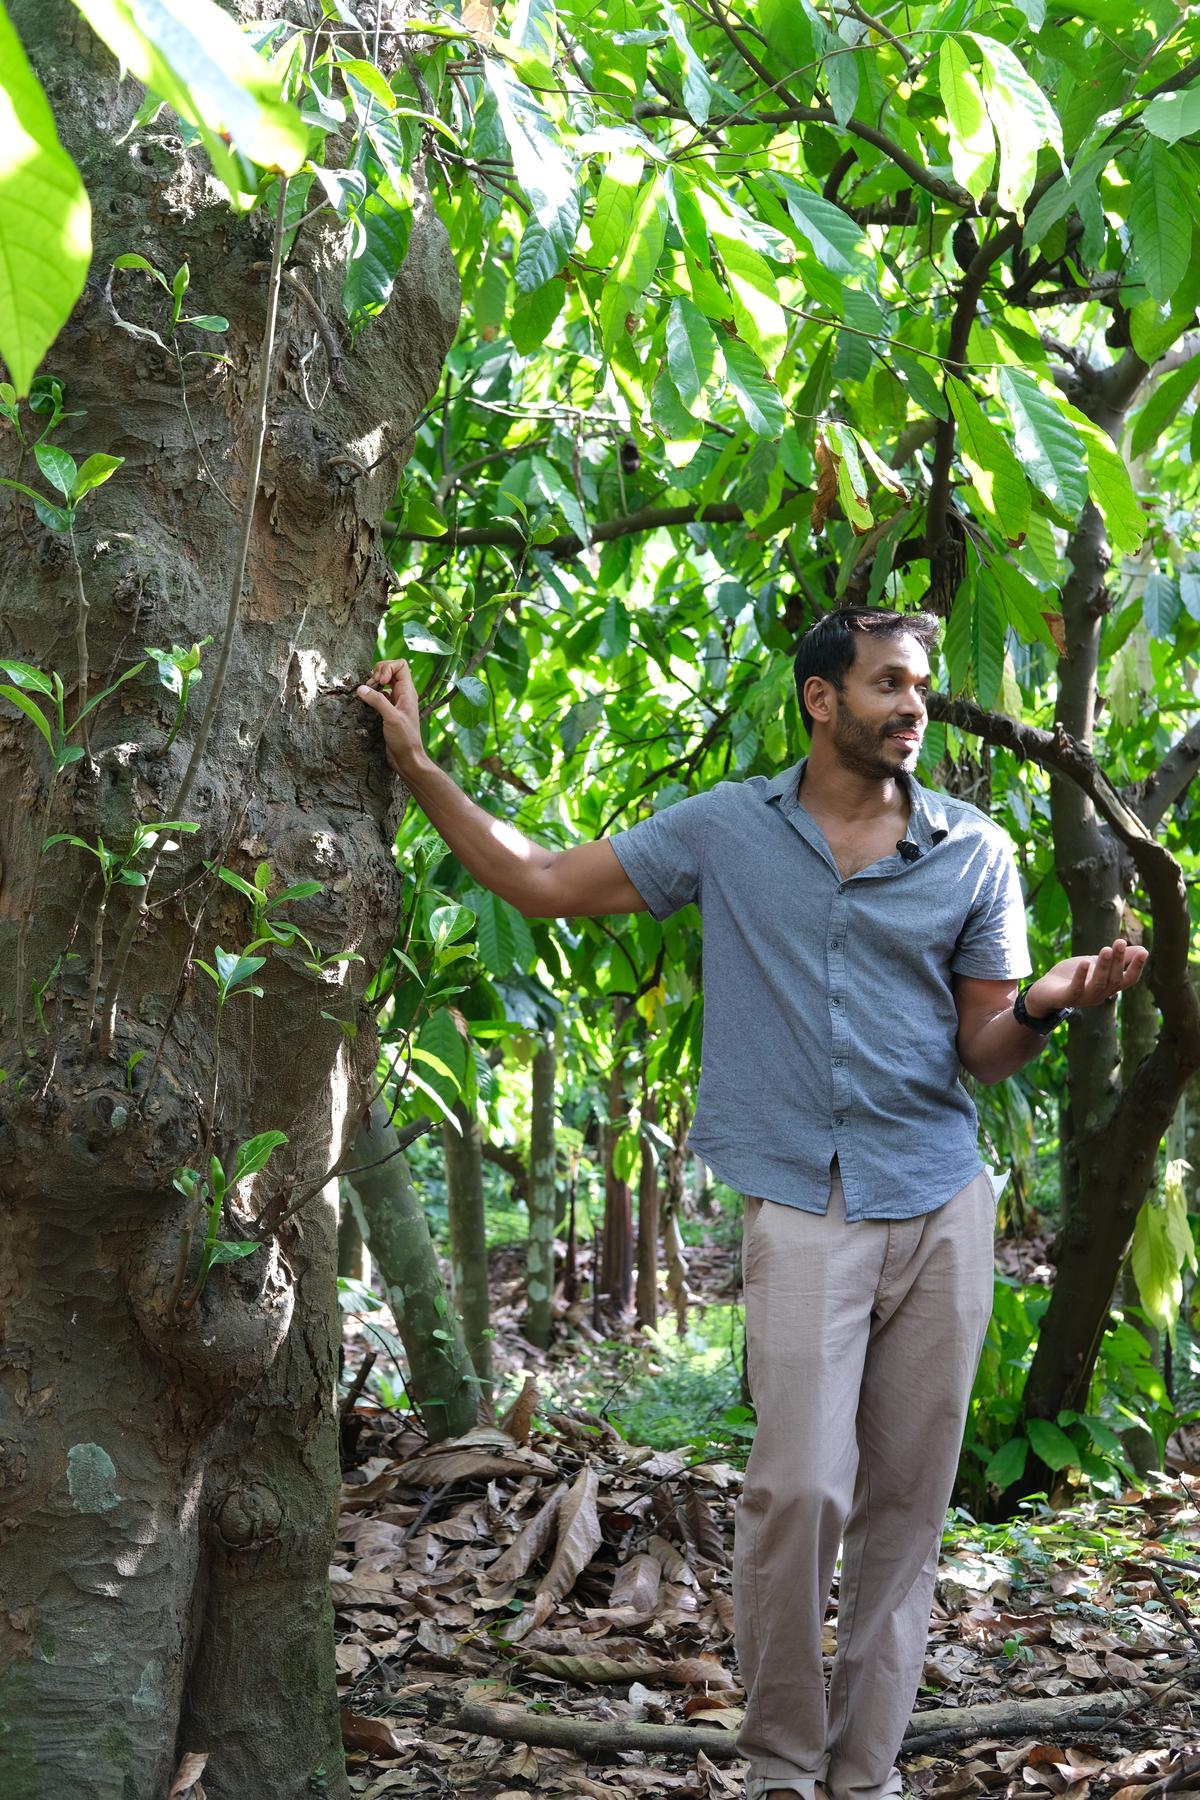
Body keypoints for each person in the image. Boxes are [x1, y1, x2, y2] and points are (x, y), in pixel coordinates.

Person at [357, 606, 1147, 1800]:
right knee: (798, 1493)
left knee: (905, 1507)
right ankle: (783, 1762)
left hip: (940, 1199)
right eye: (889, 684)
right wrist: (418, 766)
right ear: (823, 699)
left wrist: (1045, 1000)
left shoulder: (972, 849)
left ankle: (864, 1774)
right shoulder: (727, 829)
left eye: (921, 685)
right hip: (804, 1199)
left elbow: (985, 1047)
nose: (915, 706)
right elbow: (541, 882)